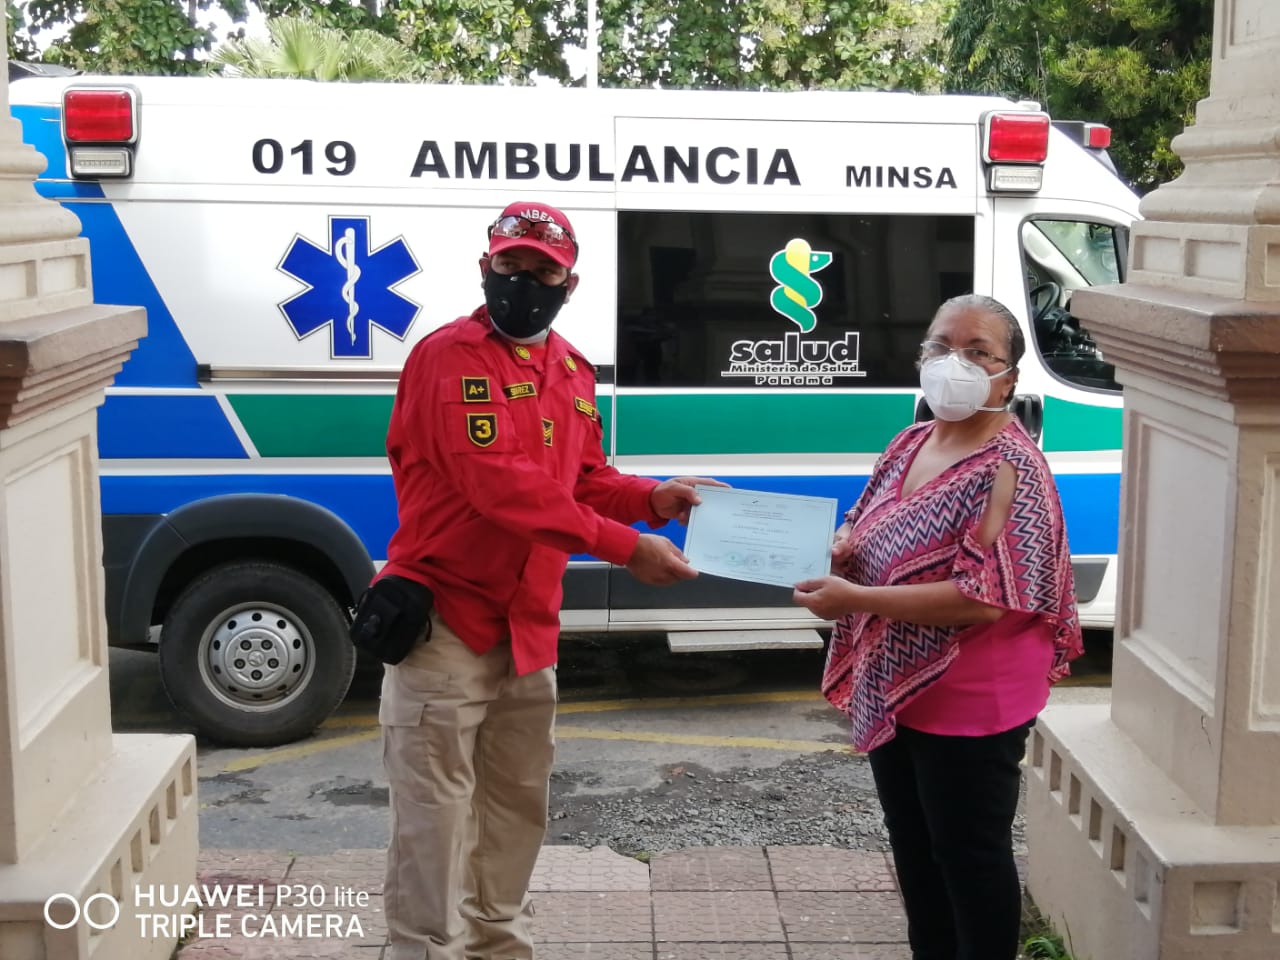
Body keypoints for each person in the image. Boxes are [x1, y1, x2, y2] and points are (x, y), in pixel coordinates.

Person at [377, 200, 722, 960]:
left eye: (543, 271)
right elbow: (501, 486)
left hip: (529, 628)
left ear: (570, 284)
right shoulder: (449, 357)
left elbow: (583, 477)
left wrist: (653, 498)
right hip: (446, 623)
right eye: (511, 265)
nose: (523, 282)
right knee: (434, 821)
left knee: (515, 808)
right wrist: (626, 547)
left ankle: (498, 946)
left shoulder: (570, 370)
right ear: (485, 267)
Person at [792, 294, 1084, 960]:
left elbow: (985, 600)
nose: (955, 363)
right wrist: (842, 548)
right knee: (915, 848)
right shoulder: (911, 441)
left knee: (969, 856)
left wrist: (856, 596)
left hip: (972, 699)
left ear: (1008, 378)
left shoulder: (1010, 470)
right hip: (899, 687)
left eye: (979, 352)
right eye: (941, 346)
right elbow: (864, 519)